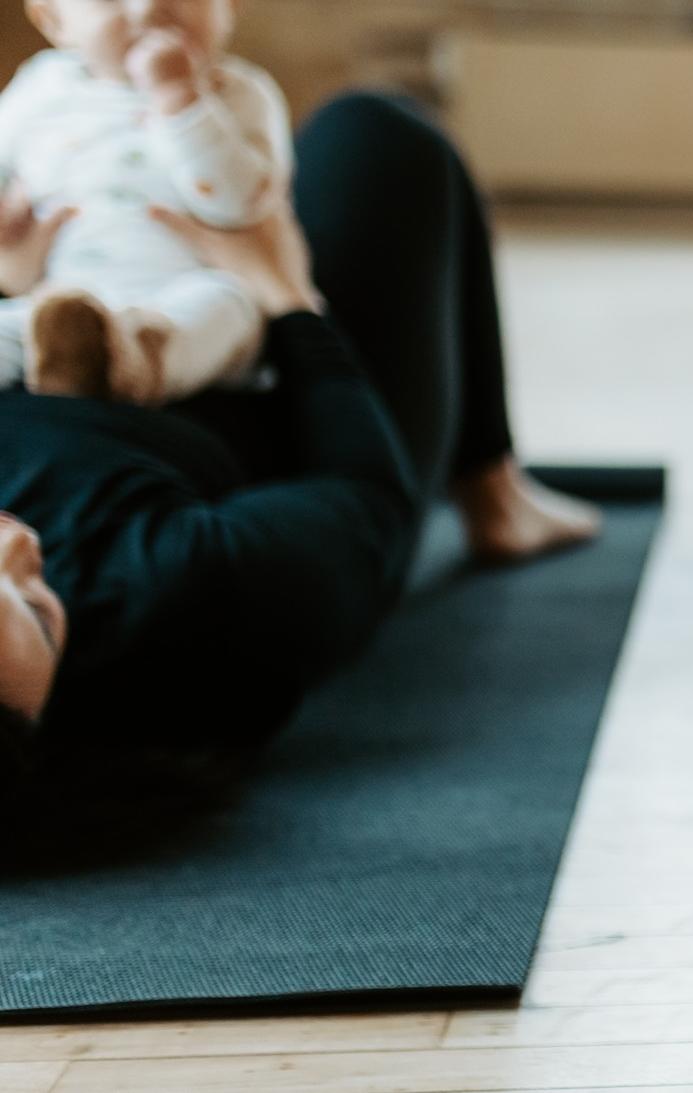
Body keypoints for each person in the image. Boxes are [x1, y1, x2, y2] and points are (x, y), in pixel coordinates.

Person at [0, 93, 599, 842]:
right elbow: (363, 491)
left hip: (83, 339)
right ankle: (493, 494)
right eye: (38, 610)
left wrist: (12, 280)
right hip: (288, 415)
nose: (20, 550)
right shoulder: (185, 601)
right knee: (378, 137)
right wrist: (283, 290)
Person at [0, 0, 292, 404]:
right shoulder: (39, 88)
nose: (149, 7)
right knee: (14, 330)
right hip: (54, 302)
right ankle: (76, 364)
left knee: (228, 306)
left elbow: (241, 204)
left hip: (184, 296)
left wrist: (180, 99)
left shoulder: (240, 92)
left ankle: (141, 360)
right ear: (53, 20)